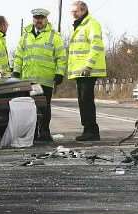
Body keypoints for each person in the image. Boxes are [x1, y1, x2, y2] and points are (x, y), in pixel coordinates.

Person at [13, 8, 67, 141]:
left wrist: (59, 73)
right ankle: (32, 133)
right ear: (33, 19)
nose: (39, 21)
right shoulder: (25, 36)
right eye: (36, 18)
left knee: (45, 107)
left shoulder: (54, 37)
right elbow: (19, 56)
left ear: (46, 19)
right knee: (30, 108)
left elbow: (61, 57)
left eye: (41, 18)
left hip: (45, 80)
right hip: (28, 80)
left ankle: (44, 131)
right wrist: (16, 71)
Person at [68, 1, 106, 141]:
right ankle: (88, 130)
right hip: (82, 71)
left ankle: (91, 131)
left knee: (86, 100)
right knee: (83, 101)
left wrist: (89, 65)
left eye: (75, 11)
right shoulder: (81, 25)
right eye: (72, 12)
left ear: (83, 10)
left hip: (88, 71)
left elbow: (96, 45)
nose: (73, 14)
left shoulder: (91, 24)